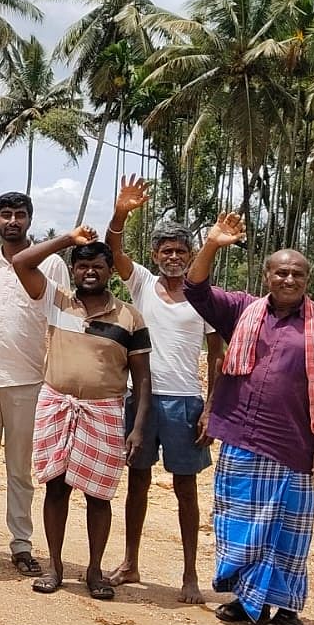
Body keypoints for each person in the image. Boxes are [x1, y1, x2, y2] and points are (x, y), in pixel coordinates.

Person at [185, 212, 314, 625]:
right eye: (281, 272)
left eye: (297, 273)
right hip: (241, 438)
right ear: (267, 275)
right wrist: (213, 244)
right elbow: (195, 288)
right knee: (240, 523)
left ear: (307, 279)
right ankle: (245, 598)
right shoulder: (241, 311)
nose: (289, 279)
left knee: (286, 533)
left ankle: (288, 608)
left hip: (293, 445)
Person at [12, 227, 151, 599]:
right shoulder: (56, 302)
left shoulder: (130, 318)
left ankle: (94, 571)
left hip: (104, 412)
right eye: (83, 265)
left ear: (110, 272)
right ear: (73, 271)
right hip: (57, 404)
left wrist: (137, 429)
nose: (90, 272)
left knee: (98, 495)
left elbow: (143, 380)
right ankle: (55, 567)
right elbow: (21, 261)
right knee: (55, 487)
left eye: (99, 266)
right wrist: (66, 241)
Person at [104, 176, 223, 603]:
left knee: (185, 489)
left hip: (186, 402)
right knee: (136, 482)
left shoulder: (202, 298)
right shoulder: (140, 284)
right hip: (141, 401)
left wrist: (211, 408)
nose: (173, 257)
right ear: (155, 256)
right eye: (166, 251)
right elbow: (113, 251)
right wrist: (121, 214)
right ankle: (131, 561)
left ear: (191, 256)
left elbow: (216, 356)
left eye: (181, 251)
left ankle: (190, 574)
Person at [0, 191, 70, 577]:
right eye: (6, 215)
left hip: (30, 383)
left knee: (21, 470)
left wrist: (57, 381)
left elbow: (60, 324)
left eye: (20, 215)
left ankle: (21, 544)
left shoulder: (51, 264)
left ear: (30, 221)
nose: (13, 221)